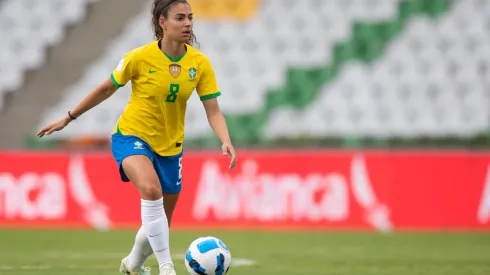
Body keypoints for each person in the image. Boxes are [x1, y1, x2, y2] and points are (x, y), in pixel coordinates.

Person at [37, 0, 237, 274]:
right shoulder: (139, 57)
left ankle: (132, 264)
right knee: (151, 190)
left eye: (190, 17)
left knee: (161, 222)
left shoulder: (199, 64)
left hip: (170, 147)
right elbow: (106, 89)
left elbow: (212, 110)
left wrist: (225, 139)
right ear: (162, 22)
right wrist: (68, 117)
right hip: (131, 135)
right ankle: (166, 267)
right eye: (180, 18)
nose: (188, 23)